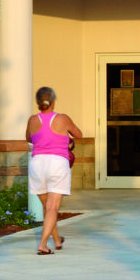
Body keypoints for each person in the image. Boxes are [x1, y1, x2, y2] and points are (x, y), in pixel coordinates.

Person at [27, 86, 83, 253]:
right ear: (53, 101)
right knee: (52, 208)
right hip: (57, 163)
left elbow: (29, 138)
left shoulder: (32, 120)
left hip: (37, 164)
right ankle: (43, 245)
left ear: (38, 102)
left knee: (47, 207)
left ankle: (57, 240)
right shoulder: (62, 118)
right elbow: (79, 134)